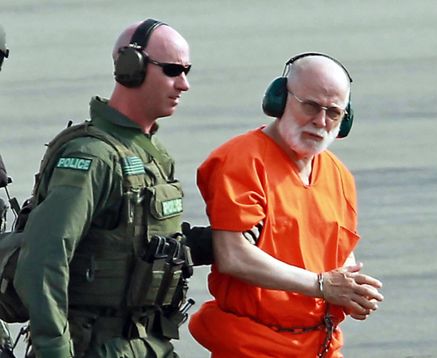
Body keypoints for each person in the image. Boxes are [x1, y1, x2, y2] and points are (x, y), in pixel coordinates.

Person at [12, 18, 212, 358]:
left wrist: (211, 245)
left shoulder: (150, 153)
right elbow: (43, 260)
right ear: (130, 67)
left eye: (186, 70)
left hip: (148, 343)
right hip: (95, 345)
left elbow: (133, 244)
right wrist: (54, 351)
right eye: (172, 70)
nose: (184, 84)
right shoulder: (92, 157)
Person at [189, 53, 384, 357]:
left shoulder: (339, 176)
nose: (320, 122)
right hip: (251, 345)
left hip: (321, 345)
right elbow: (233, 255)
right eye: (310, 106)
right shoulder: (241, 160)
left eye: (333, 112)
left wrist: (352, 291)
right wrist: (322, 285)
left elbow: (338, 254)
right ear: (279, 99)